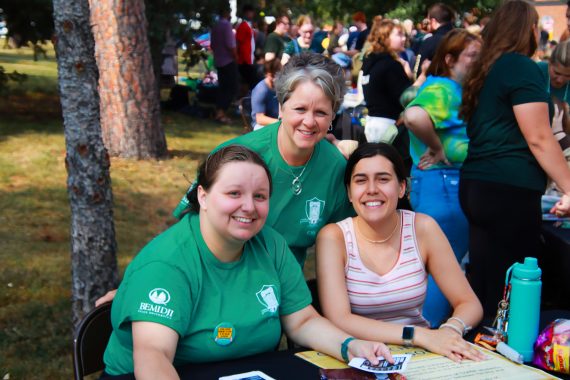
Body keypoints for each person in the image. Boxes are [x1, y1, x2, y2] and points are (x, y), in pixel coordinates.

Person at [100, 145, 392, 378]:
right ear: (203, 195)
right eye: (234, 194)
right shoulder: (168, 264)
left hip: (247, 370)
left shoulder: (271, 243)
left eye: (260, 196)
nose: (249, 207)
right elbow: (154, 358)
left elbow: (302, 320)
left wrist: (350, 346)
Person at [96, 52, 354, 307]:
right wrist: (137, 283)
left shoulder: (335, 169)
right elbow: (184, 227)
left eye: (321, 112)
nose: (309, 121)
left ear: (333, 116)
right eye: (300, 109)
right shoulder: (237, 156)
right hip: (215, 286)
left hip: (278, 297)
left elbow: (347, 242)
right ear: (281, 106)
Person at [316, 143, 485, 363]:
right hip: (360, 357)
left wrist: (451, 330)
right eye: (361, 180)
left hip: (420, 356)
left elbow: (469, 303)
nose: (372, 189)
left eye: (383, 179)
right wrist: (418, 336)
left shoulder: (422, 228)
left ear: (402, 187)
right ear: (349, 192)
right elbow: (339, 319)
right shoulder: (333, 237)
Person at [459, 0, 570, 318]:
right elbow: (538, 137)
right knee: (510, 286)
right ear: (530, 30)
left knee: (486, 280)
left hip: (479, 185)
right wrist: (568, 187)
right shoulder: (519, 66)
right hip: (507, 190)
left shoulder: (487, 69)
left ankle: (480, 347)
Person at [403, 30, 482, 326]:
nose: (478, 63)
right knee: (442, 264)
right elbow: (413, 117)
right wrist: (437, 147)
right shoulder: (445, 89)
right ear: (450, 59)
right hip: (444, 183)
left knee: (437, 261)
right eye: (472, 57)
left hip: (440, 183)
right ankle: (429, 329)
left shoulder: (448, 88)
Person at [361, 20, 412, 178]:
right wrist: (418, 77)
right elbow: (408, 98)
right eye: (399, 34)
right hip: (391, 128)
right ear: (385, 37)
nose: (404, 38)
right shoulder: (391, 65)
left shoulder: (369, 61)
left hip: (372, 125)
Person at [210, 5, 239, 124]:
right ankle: (221, 113)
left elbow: (212, 44)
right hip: (228, 61)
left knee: (222, 87)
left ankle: (218, 111)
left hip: (218, 60)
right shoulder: (226, 25)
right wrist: (236, 57)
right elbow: (230, 45)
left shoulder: (215, 25)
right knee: (231, 88)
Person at [417, 3, 455, 68]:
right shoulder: (462, 39)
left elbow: (418, 71)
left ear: (433, 22)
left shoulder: (429, 42)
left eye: (428, 22)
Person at [250, 59, 281, 130]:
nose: (276, 78)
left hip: (277, 123)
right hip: (260, 126)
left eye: (278, 74)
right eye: (273, 75)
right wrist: (281, 122)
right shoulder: (261, 90)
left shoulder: (280, 87)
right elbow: (260, 119)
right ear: (267, 73)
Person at [537, 40, 570, 105]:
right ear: (549, 63)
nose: (560, 80)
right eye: (557, 73)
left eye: (568, 76)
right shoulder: (537, 70)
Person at [236, 4, 258, 90]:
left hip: (249, 58)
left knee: (249, 83)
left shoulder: (249, 26)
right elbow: (238, 42)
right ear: (245, 13)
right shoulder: (243, 26)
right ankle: (243, 101)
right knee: (248, 83)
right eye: (249, 12)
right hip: (244, 60)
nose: (251, 14)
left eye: (251, 12)